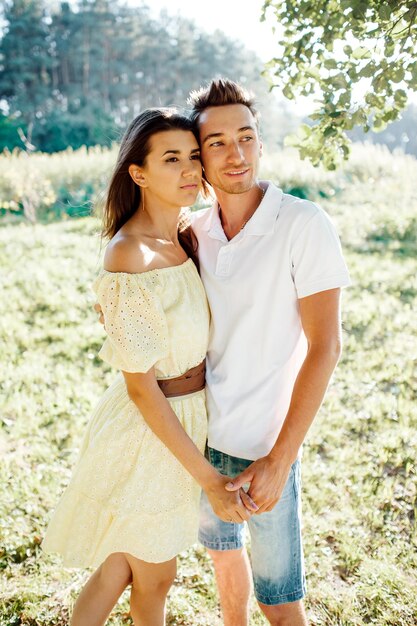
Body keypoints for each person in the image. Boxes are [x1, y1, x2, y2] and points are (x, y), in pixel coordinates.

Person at [42, 108, 256, 626]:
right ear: (138, 173)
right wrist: (207, 478)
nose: (189, 170)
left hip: (185, 417)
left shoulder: (184, 236)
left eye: (191, 156)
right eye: (170, 159)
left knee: (123, 563)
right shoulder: (129, 256)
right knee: (152, 576)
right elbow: (140, 387)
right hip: (150, 429)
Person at [185, 79, 351, 626]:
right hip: (203, 441)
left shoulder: (303, 224)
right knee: (224, 562)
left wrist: (280, 460)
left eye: (247, 137)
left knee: (280, 603)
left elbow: (326, 346)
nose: (236, 154)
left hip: (266, 447)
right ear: (199, 157)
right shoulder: (192, 231)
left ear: (259, 141)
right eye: (218, 143)